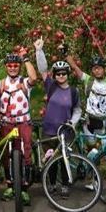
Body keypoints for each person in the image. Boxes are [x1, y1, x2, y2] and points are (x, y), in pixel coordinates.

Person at [64, 47, 106, 197]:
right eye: (94, 68)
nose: (96, 71)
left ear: (104, 69)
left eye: (99, 68)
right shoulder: (88, 80)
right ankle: (94, 181)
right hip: (89, 121)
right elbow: (75, 68)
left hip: (105, 122)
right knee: (93, 152)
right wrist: (66, 55)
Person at [35, 37, 82, 199]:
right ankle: (52, 184)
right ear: (54, 75)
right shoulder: (51, 86)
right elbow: (42, 70)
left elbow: (77, 110)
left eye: (64, 73)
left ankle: (65, 185)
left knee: (64, 160)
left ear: (68, 74)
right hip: (49, 130)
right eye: (58, 73)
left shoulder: (74, 92)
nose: (61, 75)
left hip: (65, 132)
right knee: (51, 160)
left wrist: (72, 123)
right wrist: (39, 50)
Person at [0, 48, 37, 206]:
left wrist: (25, 58)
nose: (12, 68)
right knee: (6, 155)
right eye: (10, 65)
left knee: (26, 153)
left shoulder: (24, 82)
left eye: (15, 66)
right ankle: (10, 185)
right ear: (6, 67)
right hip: (7, 123)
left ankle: (24, 188)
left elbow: (34, 77)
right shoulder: (0, 84)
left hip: (23, 121)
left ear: (19, 67)